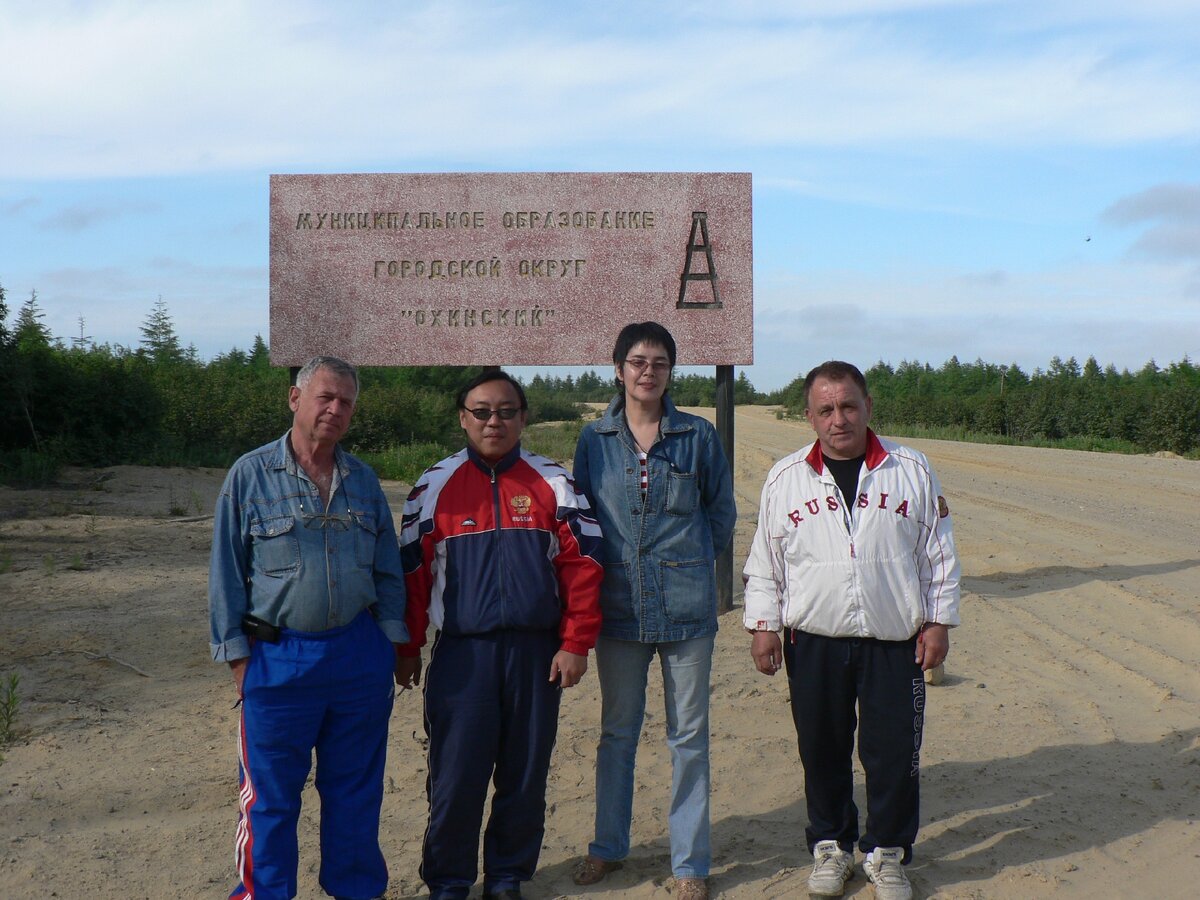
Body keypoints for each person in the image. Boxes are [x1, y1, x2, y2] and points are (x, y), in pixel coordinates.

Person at [742, 361, 960, 900]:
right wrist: (764, 626)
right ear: (810, 416)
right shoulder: (785, 477)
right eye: (826, 409)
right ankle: (832, 847)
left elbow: (938, 554)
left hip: (893, 639)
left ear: (867, 408)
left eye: (848, 406)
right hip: (812, 638)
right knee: (822, 748)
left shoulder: (911, 469)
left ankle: (887, 852)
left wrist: (938, 620)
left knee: (892, 754)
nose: (838, 419)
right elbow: (766, 560)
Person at [395, 370, 603, 900]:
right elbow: (411, 577)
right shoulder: (433, 486)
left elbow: (585, 565)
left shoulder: (555, 482)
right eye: (482, 411)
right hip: (463, 654)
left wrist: (576, 642)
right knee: (456, 775)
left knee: (525, 771)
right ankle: (449, 880)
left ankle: (507, 876)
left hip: (538, 655)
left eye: (507, 410)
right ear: (463, 417)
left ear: (523, 417)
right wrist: (407, 647)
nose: (495, 421)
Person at [208, 355, 408, 900]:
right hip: (277, 659)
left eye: (346, 402)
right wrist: (239, 660)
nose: (336, 410)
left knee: (355, 794)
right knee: (270, 799)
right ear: (296, 400)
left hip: (356, 658)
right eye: (326, 397)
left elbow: (389, 570)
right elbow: (225, 572)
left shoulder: (363, 481)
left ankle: (356, 891)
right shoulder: (249, 476)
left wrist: (388, 644)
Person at [570, 322, 736, 900]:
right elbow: (583, 520)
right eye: (638, 361)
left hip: (688, 612)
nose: (648, 371)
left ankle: (690, 864)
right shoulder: (594, 439)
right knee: (617, 733)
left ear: (671, 371)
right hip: (618, 610)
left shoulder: (698, 435)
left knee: (689, 737)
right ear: (618, 368)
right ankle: (608, 848)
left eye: (660, 362)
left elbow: (721, 512)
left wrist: (686, 562)